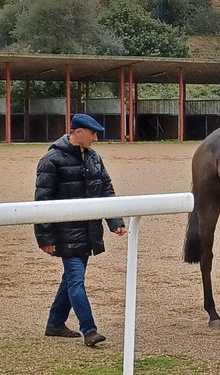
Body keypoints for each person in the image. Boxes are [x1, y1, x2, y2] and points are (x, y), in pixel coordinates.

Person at [34, 114, 126, 347]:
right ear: (77, 132)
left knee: (70, 279)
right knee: (76, 281)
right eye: (92, 133)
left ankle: (55, 323)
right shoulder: (51, 160)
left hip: (88, 231)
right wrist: (44, 237)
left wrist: (114, 221)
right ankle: (89, 330)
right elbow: (41, 201)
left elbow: (106, 189)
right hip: (65, 234)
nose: (96, 138)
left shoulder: (94, 158)